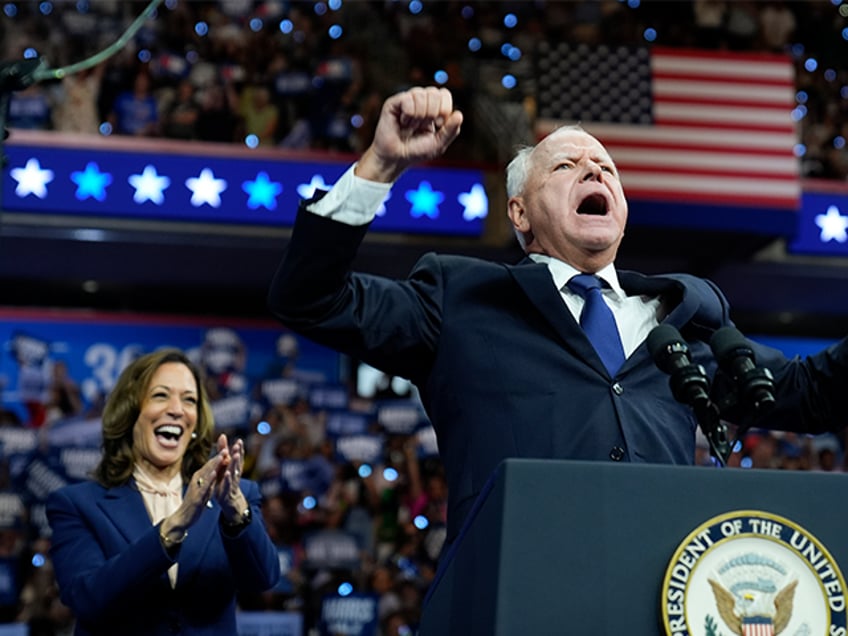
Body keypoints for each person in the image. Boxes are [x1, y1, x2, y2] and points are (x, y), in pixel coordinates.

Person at [266, 86, 848, 546]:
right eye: (567, 166)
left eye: (606, 168)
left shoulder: (685, 317)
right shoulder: (459, 295)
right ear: (519, 212)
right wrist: (380, 165)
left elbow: (812, 393)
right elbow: (312, 298)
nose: (595, 171)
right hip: (514, 587)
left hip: (658, 588)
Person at [46, 348, 280, 635]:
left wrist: (235, 511)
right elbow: (87, 599)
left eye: (189, 400)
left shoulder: (236, 495)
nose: (177, 409)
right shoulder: (77, 503)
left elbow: (263, 579)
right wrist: (175, 525)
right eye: (160, 395)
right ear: (130, 412)